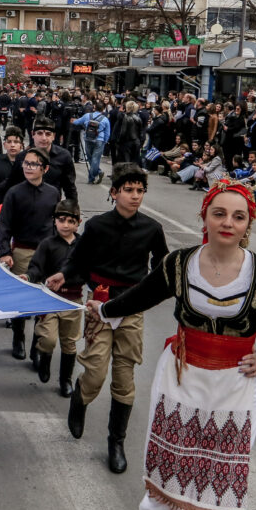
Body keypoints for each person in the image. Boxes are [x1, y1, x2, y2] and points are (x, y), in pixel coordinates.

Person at [89, 181, 256, 510]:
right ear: (205, 218)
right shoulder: (179, 264)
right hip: (180, 378)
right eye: (220, 213)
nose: (228, 222)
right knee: (171, 464)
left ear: (248, 224)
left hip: (236, 387)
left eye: (238, 216)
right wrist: (104, 309)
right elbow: (140, 296)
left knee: (217, 480)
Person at [49, 164, 169, 473]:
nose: (135, 196)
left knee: (125, 378)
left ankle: (116, 442)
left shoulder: (152, 229)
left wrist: (158, 291)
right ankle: (80, 399)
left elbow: (162, 269)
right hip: (99, 305)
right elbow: (78, 261)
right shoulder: (98, 226)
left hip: (131, 307)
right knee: (96, 371)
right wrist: (63, 275)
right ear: (114, 193)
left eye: (140, 191)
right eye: (128, 190)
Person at [0, 147, 61, 360]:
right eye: (26, 163)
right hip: (22, 251)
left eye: (34, 164)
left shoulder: (53, 193)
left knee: (42, 298)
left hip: (46, 253)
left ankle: (36, 343)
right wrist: (5, 252)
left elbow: (57, 225)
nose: (28, 167)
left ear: (45, 168)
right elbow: (4, 225)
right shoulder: (14, 192)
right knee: (22, 298)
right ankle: (18, 337)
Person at [26, 199, 84, 392]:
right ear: (54, 221)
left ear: (78, 222)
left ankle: (65, 380)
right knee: (49, 339)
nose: (66, 225)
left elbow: (89, 269)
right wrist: (28, 276)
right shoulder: (47, 244)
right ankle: (44, 359)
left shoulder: (83, 245)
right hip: (50, 299)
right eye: (61, 220)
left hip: (73, 301)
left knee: (69, 342)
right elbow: (36, 267)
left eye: (70, 221)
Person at [70, 101, 111, 184]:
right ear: (103, 110)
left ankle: (94, 175)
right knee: (96, 159)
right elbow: (107, 133)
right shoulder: (105, 119)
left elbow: (77, 122)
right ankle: (94, 176)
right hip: (99, 140)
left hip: (88, 138)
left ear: (94, 108)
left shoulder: (87, 116)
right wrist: (105, 141)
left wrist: (72, 120)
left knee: (90, 158)